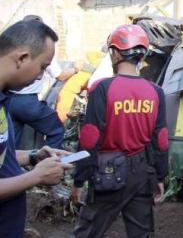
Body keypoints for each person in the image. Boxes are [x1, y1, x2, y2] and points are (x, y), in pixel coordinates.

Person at [72, 25, 168, 238]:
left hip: (108, 173)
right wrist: (161, 177)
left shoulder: (101, 88)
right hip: (143, 174)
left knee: (87, 233)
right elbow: (160, 140)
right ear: (142, 55)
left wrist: (79, 180)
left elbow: (90, 138)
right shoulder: (156, 92)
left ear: (115, 54)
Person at [0, 19, 73, 238]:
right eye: (42, 67)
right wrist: (36, 177)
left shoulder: (4, 100)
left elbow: (2, 156)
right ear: (22, 58)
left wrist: (34, 156)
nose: (41, 76)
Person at [7, 15, 80, 149]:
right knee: (56, 129)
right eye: (42, 67)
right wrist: (77, 69)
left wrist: (31, 158)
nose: (40, 76)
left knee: (10, 142)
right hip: (27, 103)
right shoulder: (40, 49)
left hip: (11, 100)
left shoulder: (12, 49)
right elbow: (60, 75)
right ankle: (49, 160)